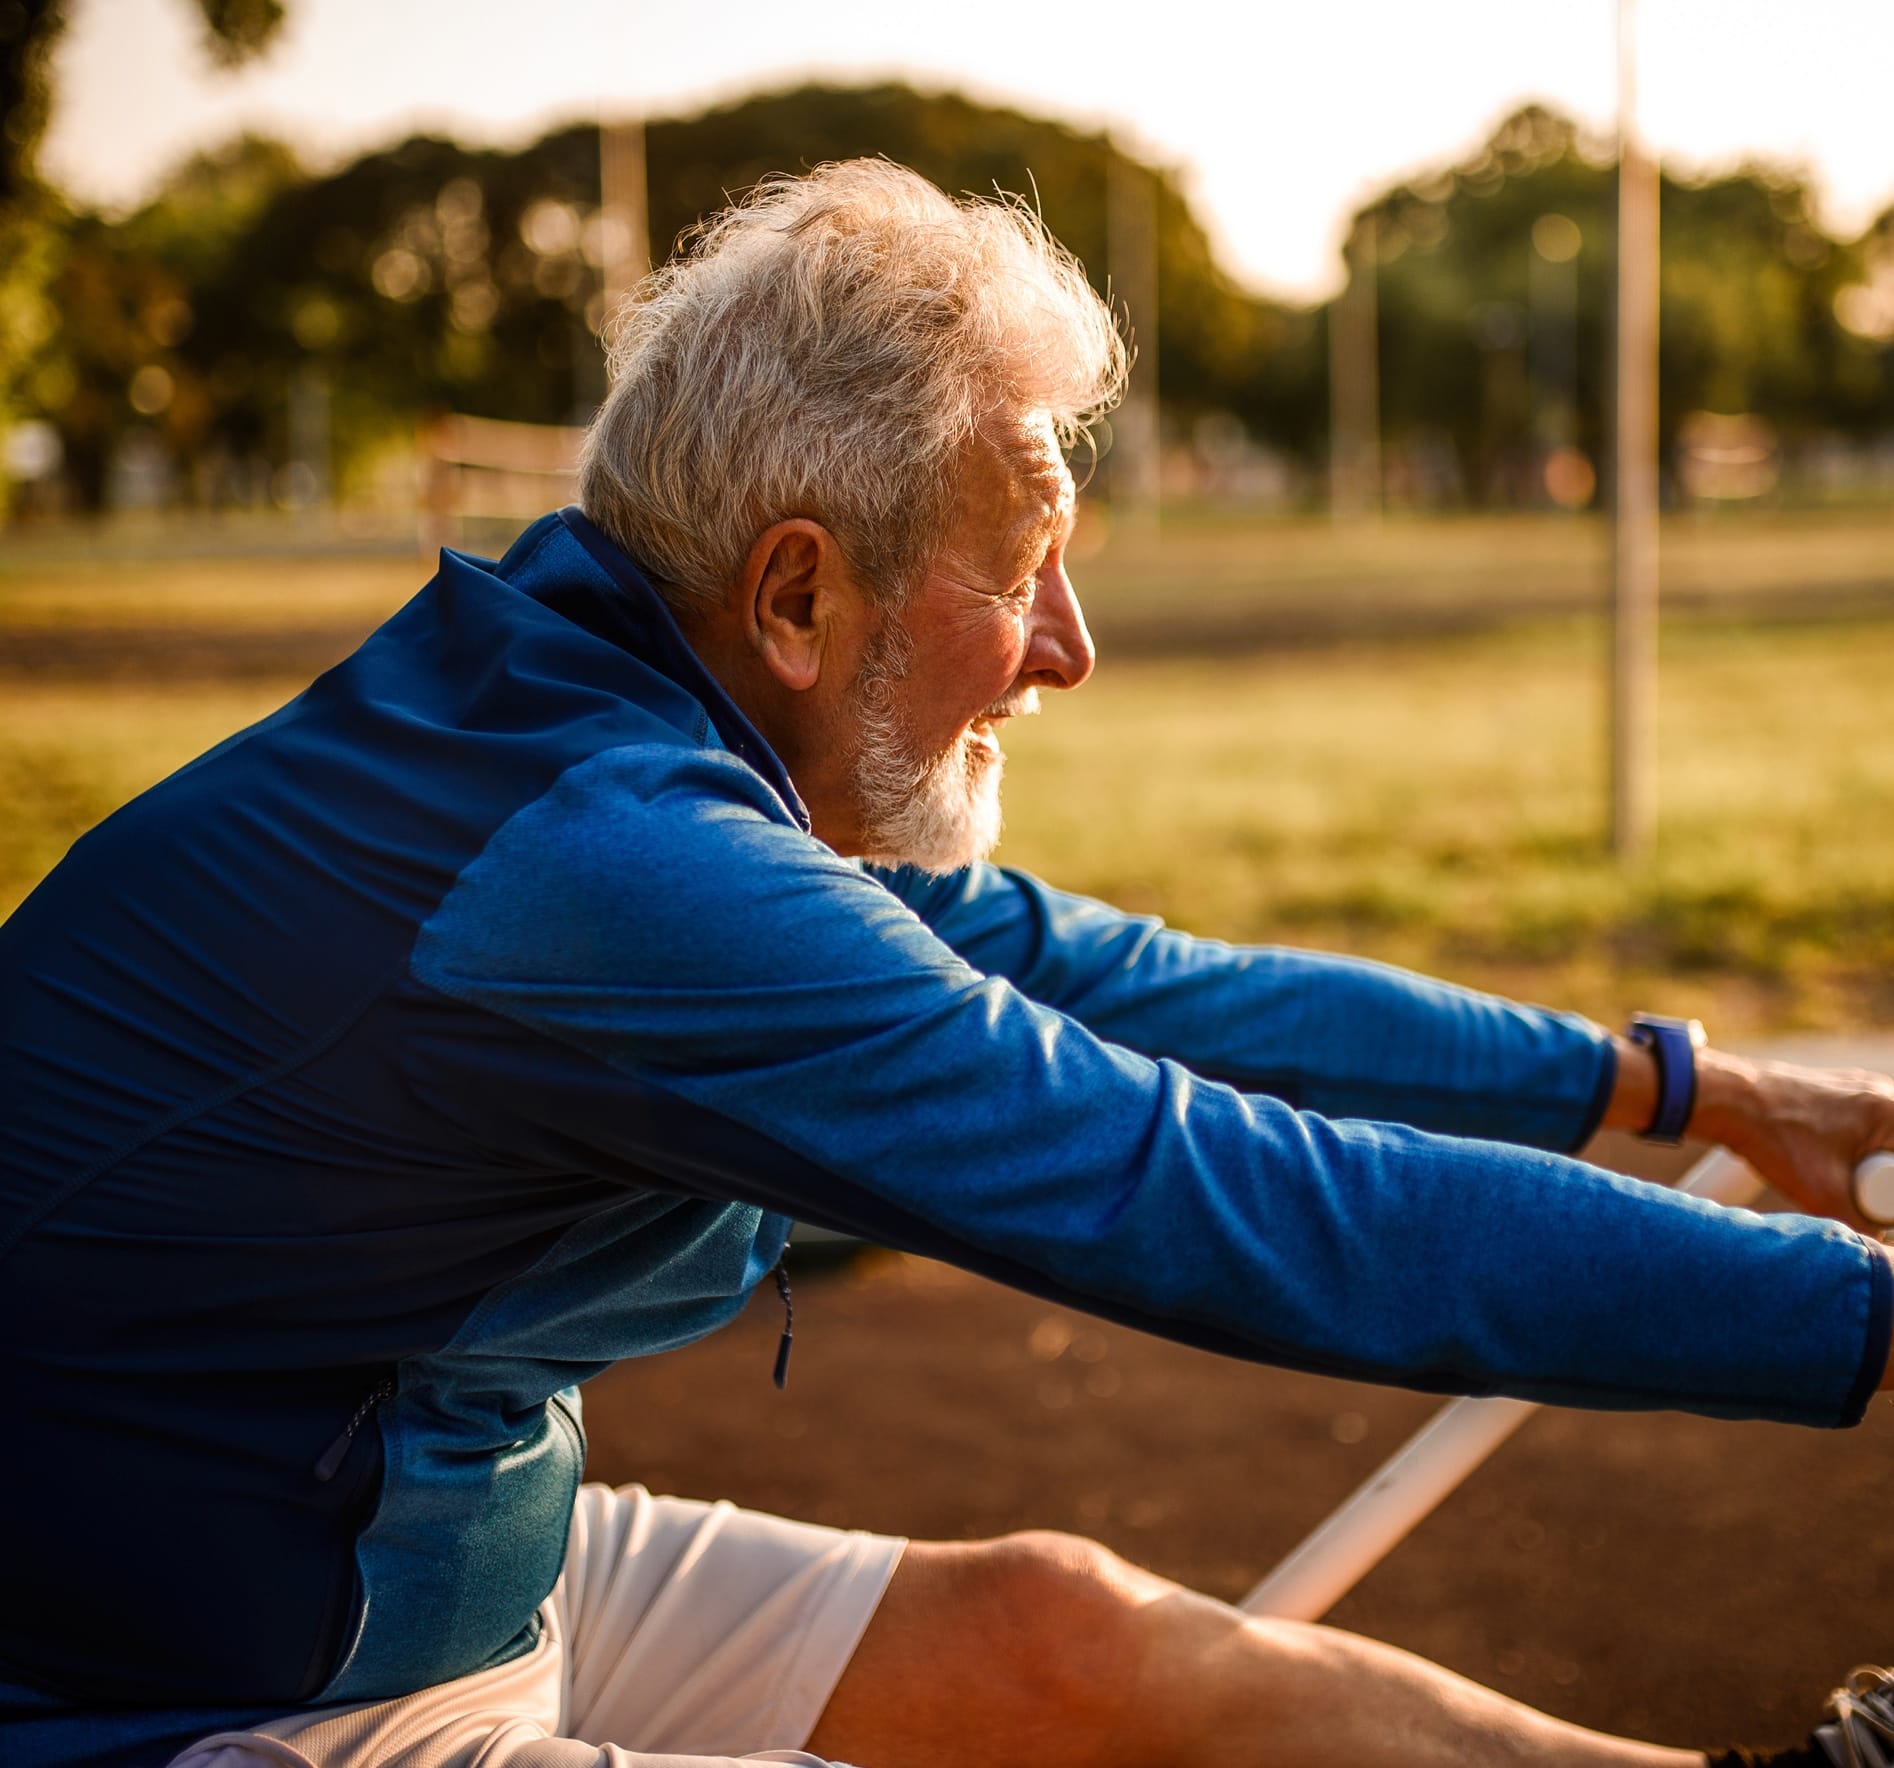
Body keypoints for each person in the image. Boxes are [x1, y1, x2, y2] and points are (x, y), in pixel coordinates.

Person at [2, 159, 1892, 1768]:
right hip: (205, 1688)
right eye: (1024, 565)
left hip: (358, 1537)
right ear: (800, 595)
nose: (1067, 648)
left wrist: (1687, 1085)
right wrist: (1856, 1318)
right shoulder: (612, 868)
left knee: (1070, 1634)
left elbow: (1141, 991)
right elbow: (1219, 1190)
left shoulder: (590, 731)